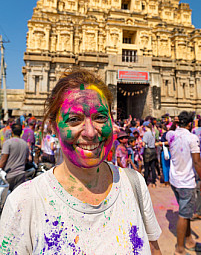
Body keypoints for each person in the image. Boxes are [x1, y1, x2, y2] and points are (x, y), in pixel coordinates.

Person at [0, 68, 161, 254]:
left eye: (100, 117)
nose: (90, 132)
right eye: (74, 119)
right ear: (54, 127)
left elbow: (153, 249)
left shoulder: (134, 185)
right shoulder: (24, 203)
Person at [166, 111, 201, 255]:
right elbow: (197, 162)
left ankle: (189, 240)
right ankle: (179, 249)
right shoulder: (192, 138)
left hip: (175, 180)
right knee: (183, 214)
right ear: (190, 123)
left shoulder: (170, 135)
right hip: (186, 182)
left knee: (185, 212)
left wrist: (175, 123)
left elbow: (171, 130)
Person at [0, 123, 29, 191]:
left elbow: (3, 160)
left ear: (12, 132)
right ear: (21, 132)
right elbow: (26, 160)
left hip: (9, 176)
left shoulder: (8, 143)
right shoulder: (25, 144)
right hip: (21, 175)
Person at [142, 121, 157, 187]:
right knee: (153, 167)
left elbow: (143, 143)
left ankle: (145, 182)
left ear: (145, 127)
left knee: (146, 167)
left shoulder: (146, 134)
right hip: (153, 150)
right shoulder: (153, 133)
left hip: (148, 151)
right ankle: (153, 182)